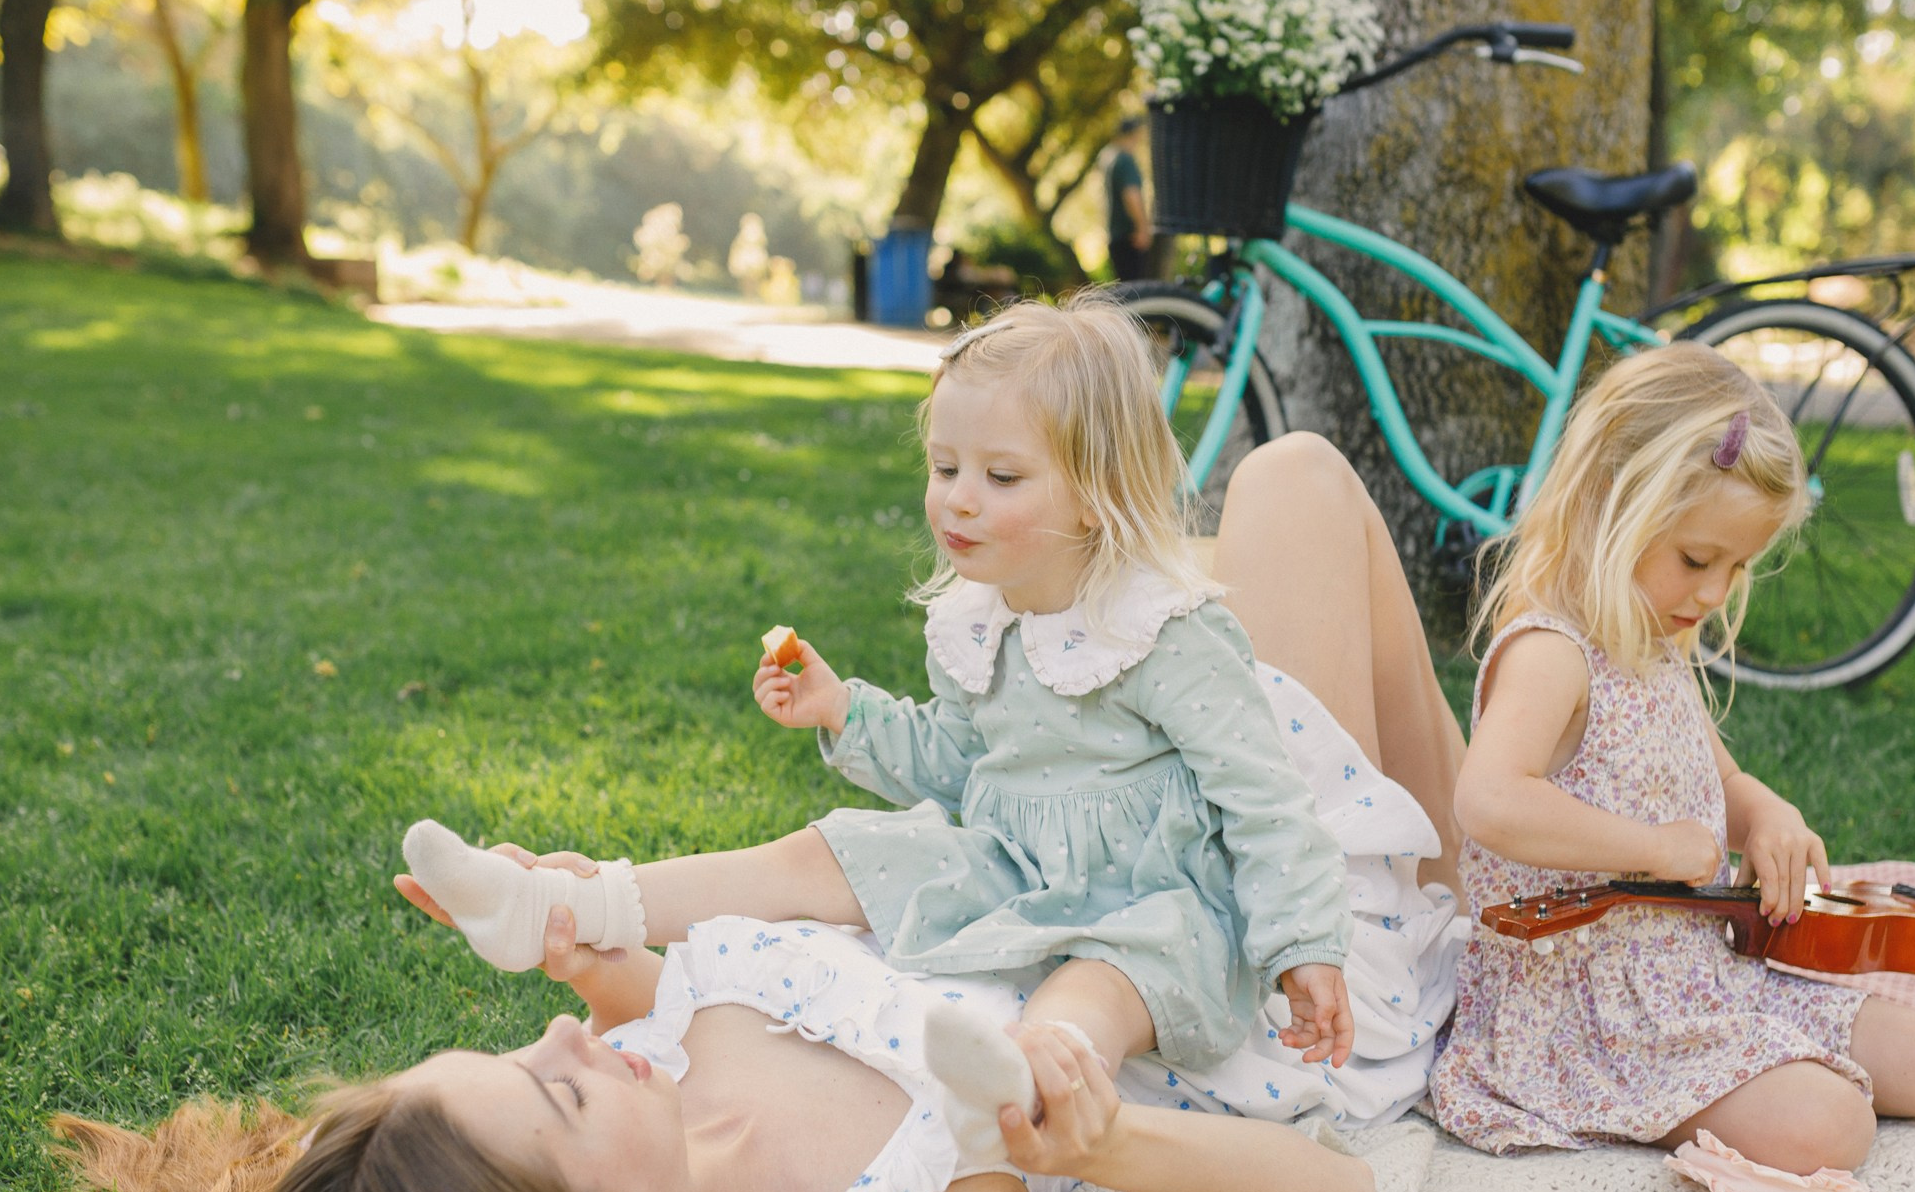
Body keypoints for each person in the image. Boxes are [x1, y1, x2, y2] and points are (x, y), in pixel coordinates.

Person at [54, 431, 1473, 1192]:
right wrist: (1108, 1148)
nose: (559, 1039)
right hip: (1280, 944)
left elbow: (650, 969)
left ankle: (1492, 850)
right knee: (1298, 487)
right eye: (554, 1089)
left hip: (1093, 838)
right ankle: (1488, 878)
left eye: (511, 1045)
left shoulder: (663, 1053)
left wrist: (567, 913)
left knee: (1259, 517)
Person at [402, 296, 1423, 1148]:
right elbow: (955, 761)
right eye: (945, 468)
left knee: (1105, 979)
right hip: (1019, 863)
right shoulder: (985, 616)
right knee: (840, 850)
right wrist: (845, 708)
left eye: (1001, 476)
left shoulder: (1160, 631)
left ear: (1096, 493)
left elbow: (1265, 798)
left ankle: (1036, 1071)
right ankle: (569, 903)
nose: (958, 500)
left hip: (1162, 899)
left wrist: (1301, 944)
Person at [1425, 343, 1915, 1179]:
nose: (1710, 593)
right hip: (1584, 1007)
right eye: (1697, 559)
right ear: (1606, 505)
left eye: (1735, 567)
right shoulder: (1552, 654)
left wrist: (1771, 815)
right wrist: (1653, 846)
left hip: (1694, 976)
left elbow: (1724, 784)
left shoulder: (1655, 647)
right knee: (1831, 1129)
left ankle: (1744, 1075)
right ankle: (1680, 1097)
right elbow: (1489, 800)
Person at [1103, 116, 1156, 283]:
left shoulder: (1111, 159)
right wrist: (1142, 228)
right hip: (1130, 237)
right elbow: (1131, 194)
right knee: (1136, 293)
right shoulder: (1125, 160)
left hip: (1117, 236)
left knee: (1126, 290)